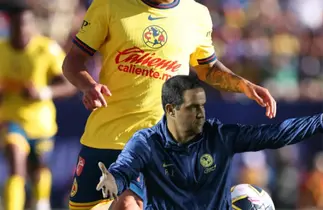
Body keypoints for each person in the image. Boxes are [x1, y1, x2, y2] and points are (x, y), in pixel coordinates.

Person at [62, 0, 277, 209]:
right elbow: (73, 61)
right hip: (102, 138)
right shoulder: (109, 5)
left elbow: (208, 68)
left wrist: (243, 85)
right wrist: (88, 85)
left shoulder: (196, 14)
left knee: (129, 204)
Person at [96, 75, 323, 210]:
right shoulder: (146, 142)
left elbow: (279, 133)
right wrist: (116, 182)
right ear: (171, 110)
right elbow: (124, 173)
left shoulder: (219, 136)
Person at [0, 1, 76, 210]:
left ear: (32, 25)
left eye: (26, 24)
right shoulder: (2, 51)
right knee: (16, 163)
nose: (22, 30)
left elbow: (69, 84)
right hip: (11, 120)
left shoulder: (46, 49)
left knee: (39, 171)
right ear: (10, 26)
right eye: (17, 25)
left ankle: (41, 204)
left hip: (41, 123)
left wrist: (44, 92)